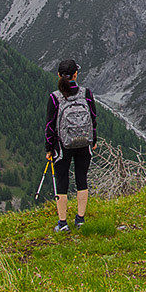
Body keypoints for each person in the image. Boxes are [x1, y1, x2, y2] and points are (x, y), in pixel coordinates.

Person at [45, 59, 97, 232]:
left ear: (59, 75)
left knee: (62, 182)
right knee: (82, 179)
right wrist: (93, 140)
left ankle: (62, 223)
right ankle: (80, 220)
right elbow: (93, 118)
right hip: (84, 143)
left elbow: (50, 126)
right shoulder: (86, 93)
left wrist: (49, 148)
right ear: (76, 74)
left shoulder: (55, 97)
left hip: (62, 146)